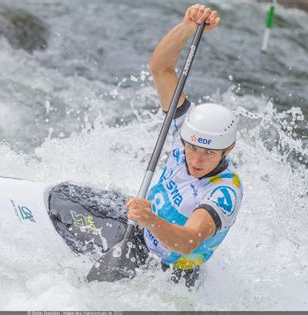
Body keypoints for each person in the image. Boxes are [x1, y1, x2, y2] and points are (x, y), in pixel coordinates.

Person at [126, 4, 243, 288]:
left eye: (209, 153)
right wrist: (187, 28)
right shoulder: (187, 128)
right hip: (139, 231)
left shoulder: (224, 191)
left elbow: (188, 241)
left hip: (170, 273)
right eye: (192, 147)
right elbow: (160, 68)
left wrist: (150, 219)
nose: (197, 159)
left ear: (228, 150)